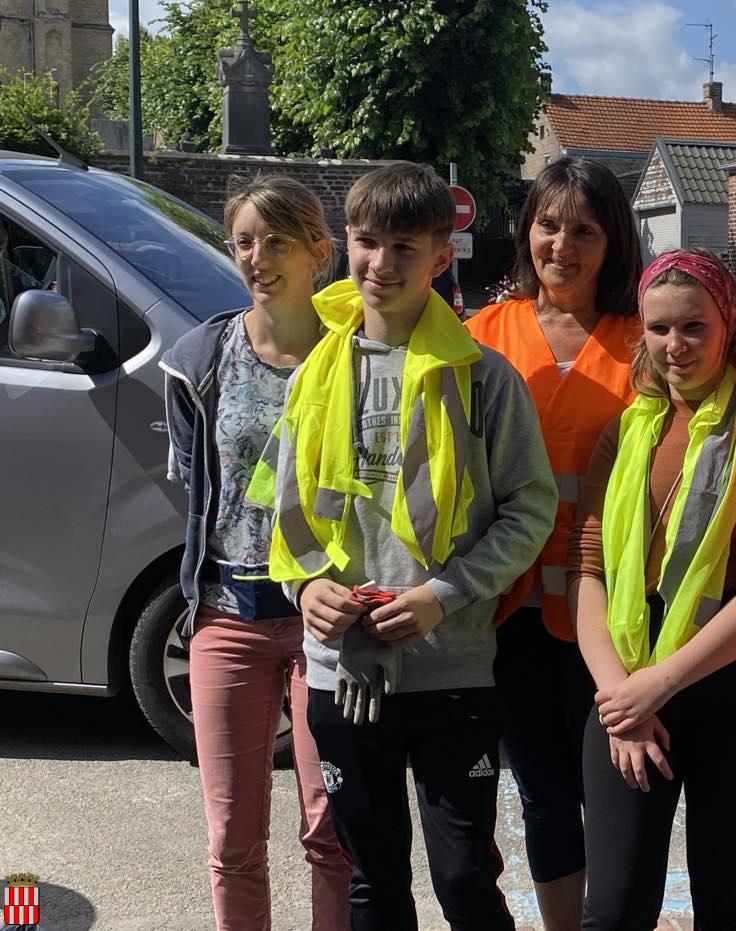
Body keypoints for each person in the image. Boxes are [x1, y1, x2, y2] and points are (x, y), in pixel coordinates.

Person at [247, 161, 557, 930]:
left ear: (442, 257)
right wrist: (306, 588)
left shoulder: (485, 378)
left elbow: (529, 509)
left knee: (462, 878)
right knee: (373, 882)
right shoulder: (314, 376)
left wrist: (439, 595)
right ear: (345, 245)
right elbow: (283, 514)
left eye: (404, 248)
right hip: (342, 674)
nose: (381, 264)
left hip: (453, 670)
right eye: (366, 242)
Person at [569, 248, 736, 929]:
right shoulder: (623, 433)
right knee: (614, 908)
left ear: (729, 326)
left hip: (734, 688)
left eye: (694, 327)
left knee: (726, 902)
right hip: (625, 678)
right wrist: (622, 696)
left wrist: (661, 684)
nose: (675, 346)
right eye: (659, 328)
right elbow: (587, 565)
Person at [160, 175, 350, 931]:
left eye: (277, 241)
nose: (258, 257)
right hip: (227, 615)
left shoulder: (353, 359)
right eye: (244, 241)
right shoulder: (198, 358)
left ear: (318, 252)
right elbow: (199, 490)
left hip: (328, 626)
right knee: (232, 838)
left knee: (331, 832)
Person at [465, 156, 641, 930]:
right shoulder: (481, 335)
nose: (560, 244)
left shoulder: (649, 339)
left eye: (583, 229)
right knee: (541, 793)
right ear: (524, 228)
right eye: (546, 223)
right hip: (509, 613)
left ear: (613, 243)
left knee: (613, 793)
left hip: (616, 614)